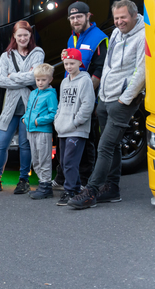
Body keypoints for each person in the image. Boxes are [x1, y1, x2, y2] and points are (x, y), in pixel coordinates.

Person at [68, 0, 145, 209]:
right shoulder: (116, 33)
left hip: (123, 100)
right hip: (106, 97)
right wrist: (101, 94)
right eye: (116, 18)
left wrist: (125, 98)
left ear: (135, 15)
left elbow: (142, 72)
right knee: (113, 145)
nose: (119, 22)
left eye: (123, 17)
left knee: (105, 146)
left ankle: (91, 191)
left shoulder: (143, 36)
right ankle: (112, 188)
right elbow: (108, 67)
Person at [0, 20, 44, 194]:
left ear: (30, 36)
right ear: (14, 36)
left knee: (24, 144)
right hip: (10, 107)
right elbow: (0, 81)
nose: (22, 38)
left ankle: (24, 180)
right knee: (1, 143)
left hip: (29, 105)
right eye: (19, 35)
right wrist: (23, 76)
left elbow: (35, 78)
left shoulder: (37, 53)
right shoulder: (6, 55)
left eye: (25, 35)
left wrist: (12, 76)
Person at [53, 1, 109, 190]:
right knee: (66, 141)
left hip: (89, 98)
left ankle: (85, 180)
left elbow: (100, 70)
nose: (75, 20)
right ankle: (66, 179)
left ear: (88, 16)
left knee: (87, 141)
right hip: (71, 97)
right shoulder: (72, 39)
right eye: (72, 17)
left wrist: (85, 95)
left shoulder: (99, 38)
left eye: (79, 16)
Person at [51, 50, 95, 205]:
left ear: (79, 63)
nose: (69, 67)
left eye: (72, 63)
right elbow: (61, 104)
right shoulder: (64, 82)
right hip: (63, 128)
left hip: (77, 129)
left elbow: (87, 105)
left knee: (70, 161)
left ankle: (70, 191)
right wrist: (57, 120)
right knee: (63, 162)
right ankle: (75, 189)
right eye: (66, 64)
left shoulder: (85, 80)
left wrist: (76, 122)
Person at [20, 63, 58, 200]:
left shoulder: (50, 95)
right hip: (31, 131)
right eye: (38, 80)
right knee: (35, 159)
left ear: (50, 80)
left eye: (43, 80)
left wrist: (38, 121)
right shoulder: (33, 93)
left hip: (42, 131)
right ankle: (43, 184)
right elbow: (29, 109)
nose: (40, 82)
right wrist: (25, 118)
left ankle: (46, 186)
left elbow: (54, 113)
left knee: (44, 159)